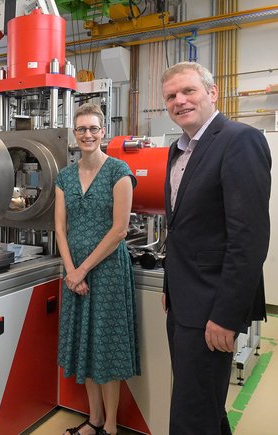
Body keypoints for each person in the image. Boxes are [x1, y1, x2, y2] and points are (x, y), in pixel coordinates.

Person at [161, 61, 270, 435]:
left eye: (188, 91)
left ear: (212, 92)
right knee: (202, 403)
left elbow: (249, 238)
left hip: (211, 306)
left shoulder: (239, 140)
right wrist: (170, 289)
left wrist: (226, 315)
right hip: (184, 300)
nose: (179, 101)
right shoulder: (178, 150)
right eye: (171, 96)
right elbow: (180, 230)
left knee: (192, 415)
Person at [55, 103, 140, 435]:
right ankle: (94, 420)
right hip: (74, 271)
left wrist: (81, 271)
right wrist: (70, 270)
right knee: (85, 348)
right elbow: (60, 229)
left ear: (104, 132)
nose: (87, 134)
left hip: (106, 273)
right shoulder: (64, 176)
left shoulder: (119, 171)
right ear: (75, 135)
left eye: (93, 128)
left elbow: (120, 229)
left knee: (105, 349)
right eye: (81, 129)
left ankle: (113, 428)